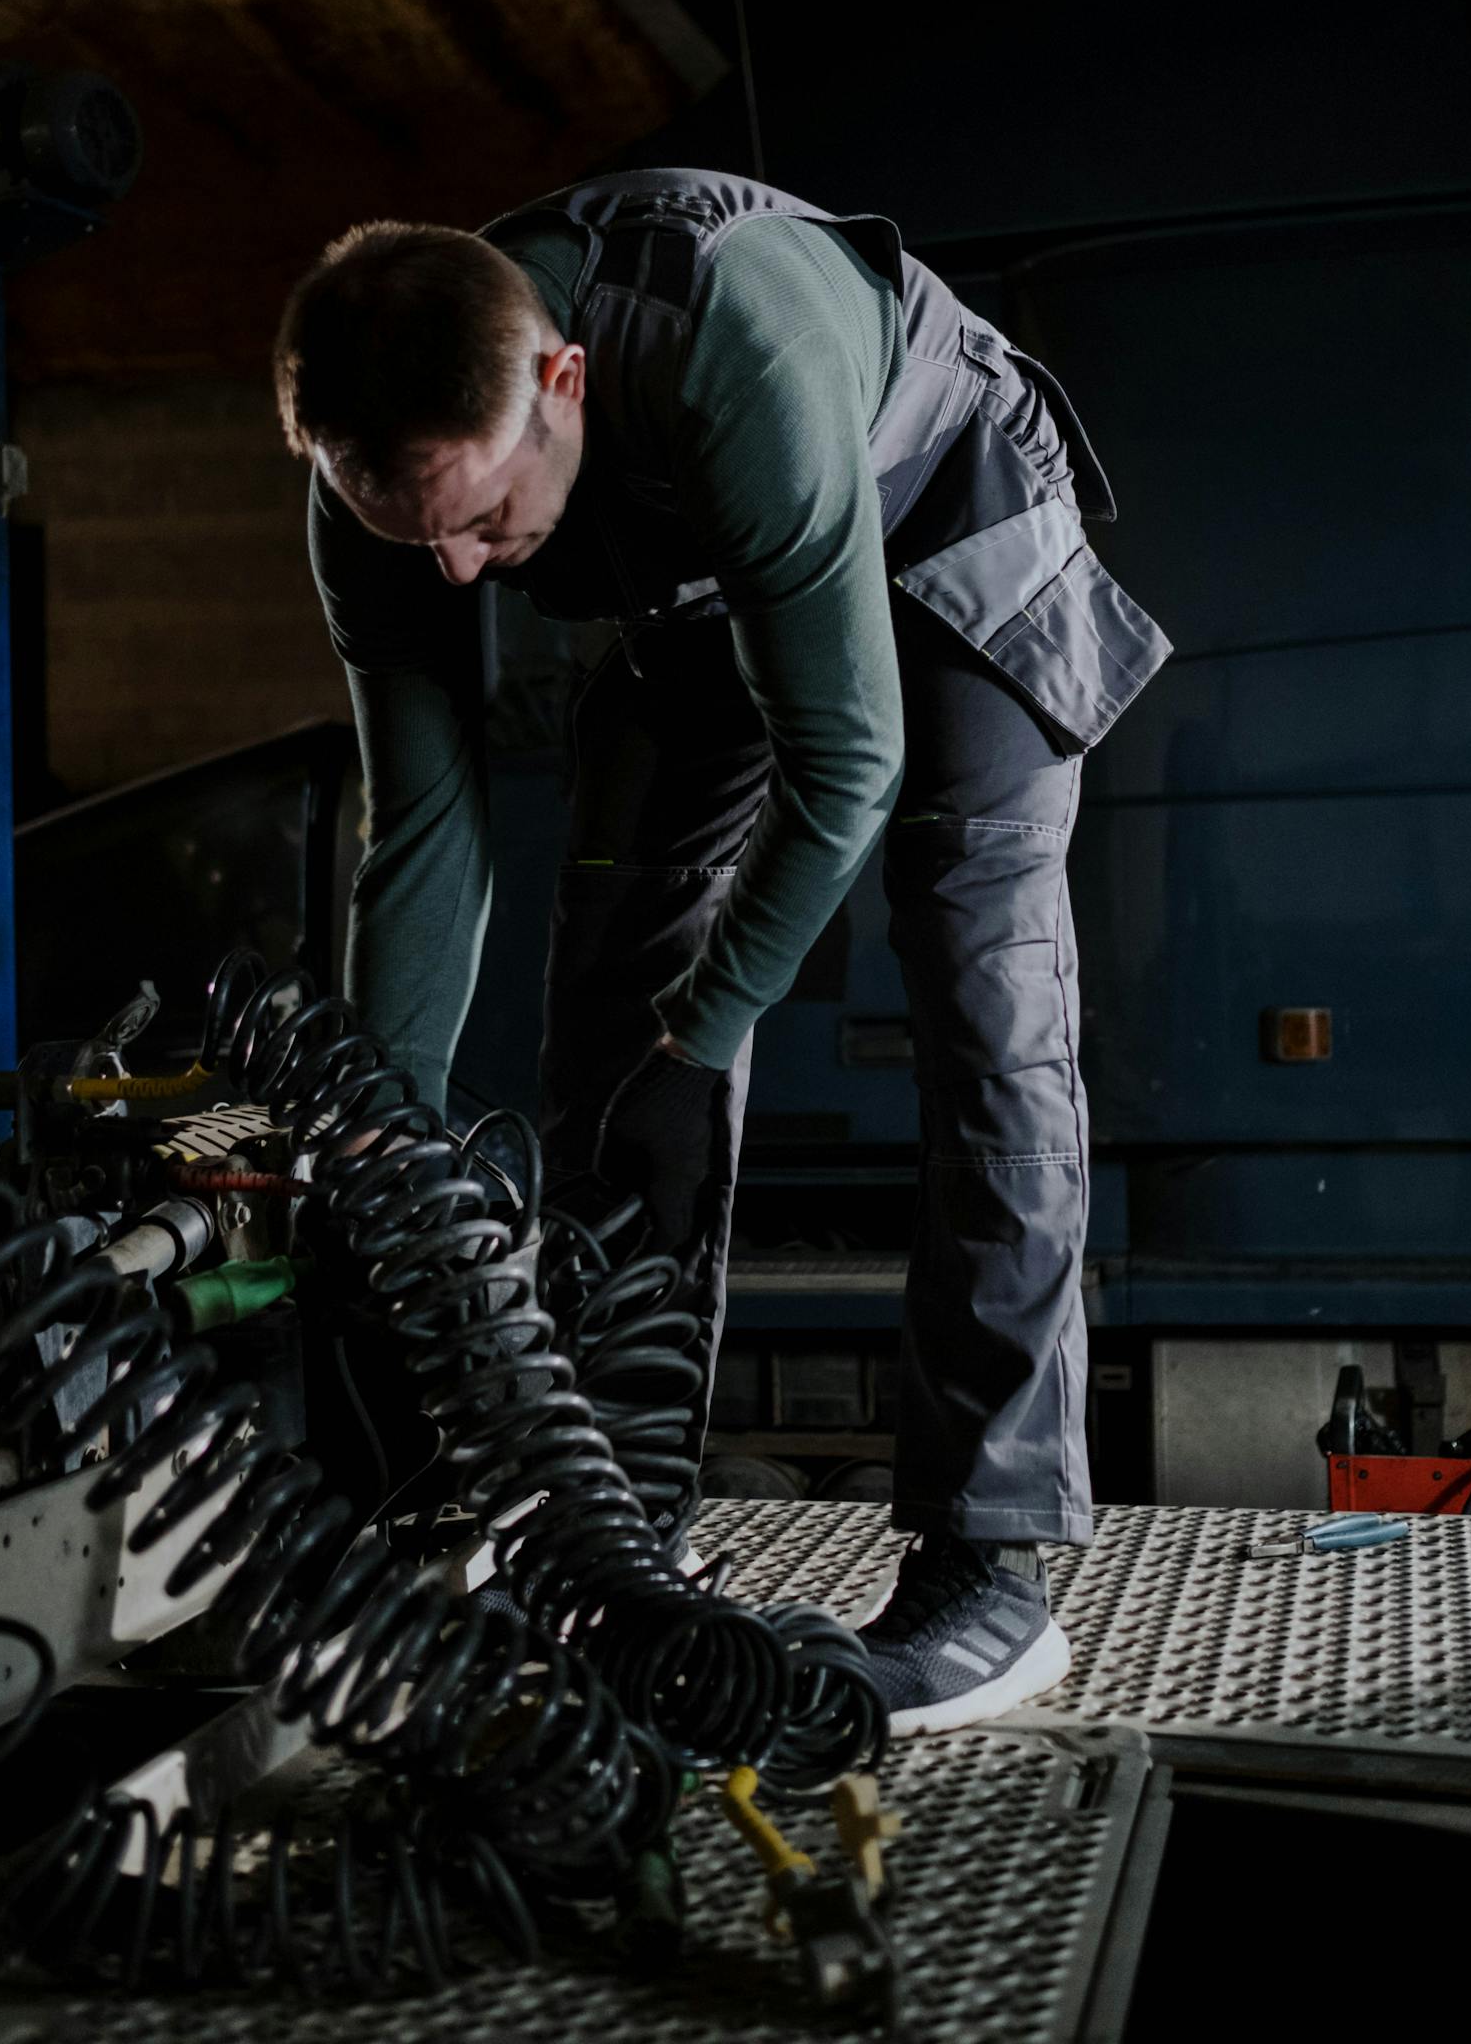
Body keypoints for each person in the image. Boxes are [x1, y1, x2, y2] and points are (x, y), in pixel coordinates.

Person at [273, 168, 1169, 1734]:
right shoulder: (393, 497)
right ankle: (609, 1525)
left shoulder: (726, 347)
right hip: (699, 581)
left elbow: (849, 768)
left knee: (983, 999)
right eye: (418, 538)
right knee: (609, 1015)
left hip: (943, 515)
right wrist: (381, 1140)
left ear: (561, 378)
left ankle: (993, 1573)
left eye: (484, 516)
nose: (465, 573)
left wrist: (715, 1034)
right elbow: (420, 832)